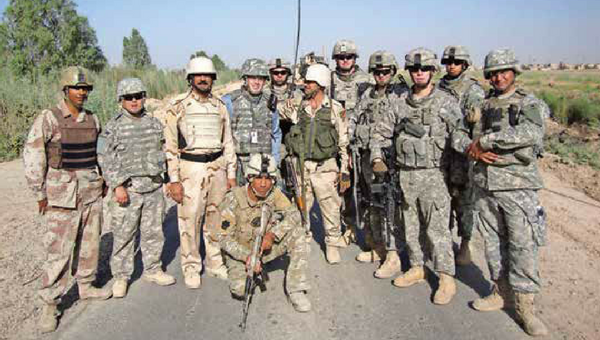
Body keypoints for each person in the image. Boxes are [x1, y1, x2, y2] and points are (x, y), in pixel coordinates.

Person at [371, 48, 469, 305]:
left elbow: (458, 136)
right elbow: (381, 132)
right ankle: (417, 267)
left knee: (437, 230)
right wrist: (377, 157)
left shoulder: (445, 103)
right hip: (405, 175)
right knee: (410, 226)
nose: (419, 73)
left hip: (435, 175)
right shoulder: (399, 102)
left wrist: (472, 151)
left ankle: (446, 278)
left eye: (424, 69)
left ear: (433, 71)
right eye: (414, 70)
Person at [23, 66, 111, 333]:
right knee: (58, 251)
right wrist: (39, 193)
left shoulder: (93, 119)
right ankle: (50, 303)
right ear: (65, 90)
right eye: (77, 88)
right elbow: (34, 155)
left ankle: (86, 286)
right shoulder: (48, 118)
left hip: (91, 191)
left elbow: (101, 152)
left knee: (89, 244)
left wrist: (104, 178)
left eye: (85, 89)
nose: (82, 93)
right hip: (62, 195)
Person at [468, 48, 548, 336]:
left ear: (514, 73)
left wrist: (488, 141)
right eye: (494, 73)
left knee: (523, 246)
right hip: (486, 185)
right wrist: (474, 148)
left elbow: (531, 134)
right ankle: (500, 291)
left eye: (504, 72)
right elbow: (471, 138)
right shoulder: (486, 105)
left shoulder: (529, 103)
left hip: (517, 186)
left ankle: (526, 308)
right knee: (493, 243)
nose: (499, 77)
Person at [98, 78, 176, 298]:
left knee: (153, 232)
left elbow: (167, 154)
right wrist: (117, 185)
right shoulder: (113, 127)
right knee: (124, 235)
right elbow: (105, 158)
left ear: (144, 97)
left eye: (138, 96)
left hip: (153, 188)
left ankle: (153, 269)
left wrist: (170, 179)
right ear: (121, 100)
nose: (134, 101)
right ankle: (121, 277)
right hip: (128, 190)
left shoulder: (154, 124)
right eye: (129, 97)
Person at [163, 57, 236, 288]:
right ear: (191, 78)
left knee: (216, 218)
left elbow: (229, 141)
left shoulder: (220, 106)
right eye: (199, 75)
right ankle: (191, 266)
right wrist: (174, 180)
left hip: (218, 168)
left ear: (213, 78)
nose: (203, 79)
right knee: (190, 220)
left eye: (208, 75)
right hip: (190, 169)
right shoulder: (178, 107)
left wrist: (231, 173)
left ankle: (215, 262)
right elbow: (170, 147)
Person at [219, 153, 311, 312]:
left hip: (265, 248)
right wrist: (247, 257)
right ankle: (254, 271)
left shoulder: (274, 193)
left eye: (268, 179)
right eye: (258, 178)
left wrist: (273, 234)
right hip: (242, 253)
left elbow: (295, 215)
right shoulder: (233, 198)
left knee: (298, 234)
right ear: (249, 177)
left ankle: (295, 288)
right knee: (240, 290)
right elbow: (223, 238)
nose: (263, 184)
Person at [280, 63, 351, 264]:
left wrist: (344, 170)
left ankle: (332, 243)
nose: (305, 85)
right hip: (302, 166)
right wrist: (287, 103)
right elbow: (283, 113)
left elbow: (344, 142)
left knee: (330, 207)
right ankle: (303, 239)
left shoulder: (335, 109)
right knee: (301, 205)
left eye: (310, 82)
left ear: (320, 84)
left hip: (326, 167)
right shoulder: (299, 106)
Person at [352, 50, 408, 279]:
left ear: (393, 72)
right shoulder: (367, 95)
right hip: (366, 157)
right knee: (372, 203)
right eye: (377, 72)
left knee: (390, 207)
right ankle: (378, 247)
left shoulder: (400, 96)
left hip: (389, 160)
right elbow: (355, 118)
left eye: (385, 71)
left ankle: (393, 255)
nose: (381, 75)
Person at [437, 45, 486, 266]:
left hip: (463, 154)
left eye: (456, 63)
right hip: (441, 153)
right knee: (441, 199)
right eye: (448, 62)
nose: (452, 66)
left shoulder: (473, 90)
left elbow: (477, 126)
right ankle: (443, 241)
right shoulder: (438, 87)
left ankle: (465, 243)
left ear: (464, 65)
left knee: (464, 203)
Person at [330, 39, 374, 244]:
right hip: (338, 144)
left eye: (348, 57)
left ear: (355, 58)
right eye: (341, 57)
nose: (345, 60)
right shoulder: (328, 81)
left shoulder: (368, 81)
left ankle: (369, 230)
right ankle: (348, 227)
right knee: (343, 188)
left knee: (366, 187)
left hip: (361, 144)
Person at [222, 58, 282, 185]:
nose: (256, 82)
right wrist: (228, 169)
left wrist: (275, 162)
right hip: (238, 164)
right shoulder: (230, 101)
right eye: (252, 78)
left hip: (264, 164)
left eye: (260, 78)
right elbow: (223, 136)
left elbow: (276, 133)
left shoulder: (270, 102)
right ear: (245, 79)